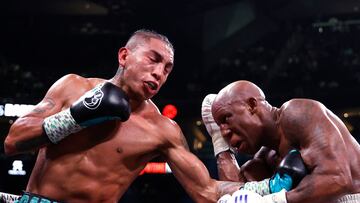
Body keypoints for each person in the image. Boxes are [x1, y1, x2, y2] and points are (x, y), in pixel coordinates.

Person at [3, 29, 243, 203]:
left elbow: (206, 192)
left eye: (167, 69)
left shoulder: (162, 129)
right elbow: (13, 141)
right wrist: (74, 117)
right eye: (154, 59)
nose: (159, 72)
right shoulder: (73, 87)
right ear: (124, 56)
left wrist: (272, 191)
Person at [205, 80, 360, 203]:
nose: (225, 131)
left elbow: (337, 180)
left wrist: (275, 200)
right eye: (220, 127)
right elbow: (236, 196)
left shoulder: (296, 113)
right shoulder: (263, 158)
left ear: (252, 105)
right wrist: (220, 143)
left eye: (226, 118)